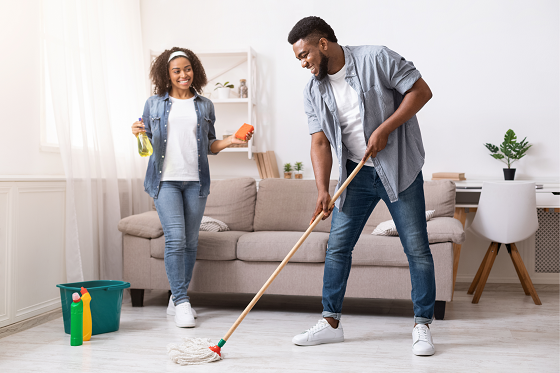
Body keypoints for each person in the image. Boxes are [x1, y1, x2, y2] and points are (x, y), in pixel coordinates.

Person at [287, 17, 436, 355]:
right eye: (299, 58)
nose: (304, 63)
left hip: (399, 169)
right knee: (338, 247)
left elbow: (421, 91)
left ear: (323, 44)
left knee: (416, 250)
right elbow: (320, 142)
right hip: (355, 173)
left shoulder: (376, 58)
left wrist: (386, 128)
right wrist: (323, 190)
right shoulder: (314, 89)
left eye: (305, 54)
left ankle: (422, 325)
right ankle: (330, 323)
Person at [131, 47, 253, 328]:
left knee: (190, 241)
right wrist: (137, 133)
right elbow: (147, 141)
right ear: (167, 74)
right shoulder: (154, 104)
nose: (183, 74)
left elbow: (210, 145)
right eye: (177, 70)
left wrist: (230, 141)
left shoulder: (205, 105)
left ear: (194, 69)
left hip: (196, 180)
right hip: (165, 181)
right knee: (175, 239)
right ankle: (183, 300)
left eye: (187, 68)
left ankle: (177, 299)